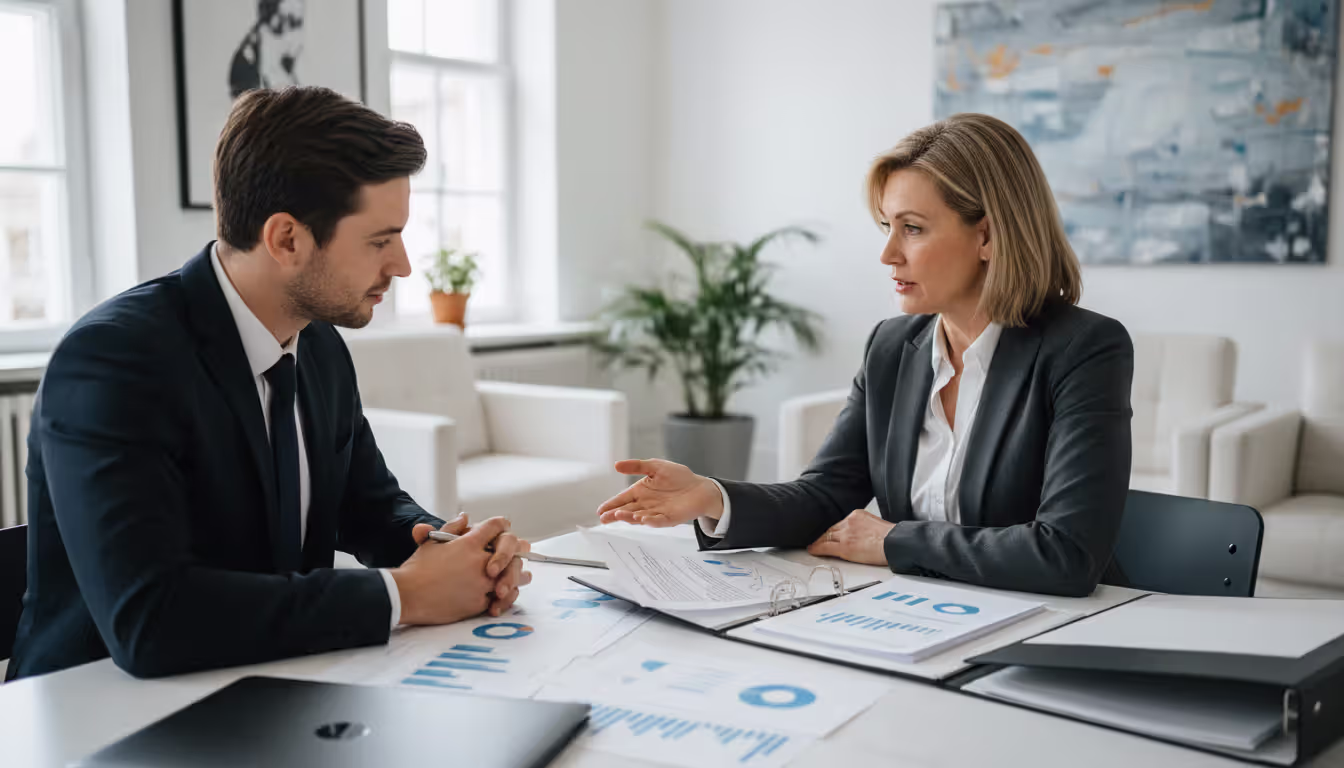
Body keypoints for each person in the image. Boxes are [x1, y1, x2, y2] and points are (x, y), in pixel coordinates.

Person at [6, 86, 531, 681]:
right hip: (100, 711)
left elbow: (368, 505)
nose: (403, 266)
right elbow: (150, 620)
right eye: (381, 240)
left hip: (271, 681)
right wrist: (403, 596)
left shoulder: (320, 346)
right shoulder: (113, 362)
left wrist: (450, 556)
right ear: (286, 239)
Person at [596, 113, 1134, 598]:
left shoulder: (1083, 350)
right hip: (917, 612)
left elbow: (1066, 554)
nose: (888, 254)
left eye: (913, 229)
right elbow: (827, 494)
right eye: (887, 226)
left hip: (1038, 629)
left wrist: (894, 539)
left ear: (987, 236)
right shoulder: (892, 347)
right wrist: (711, 496)